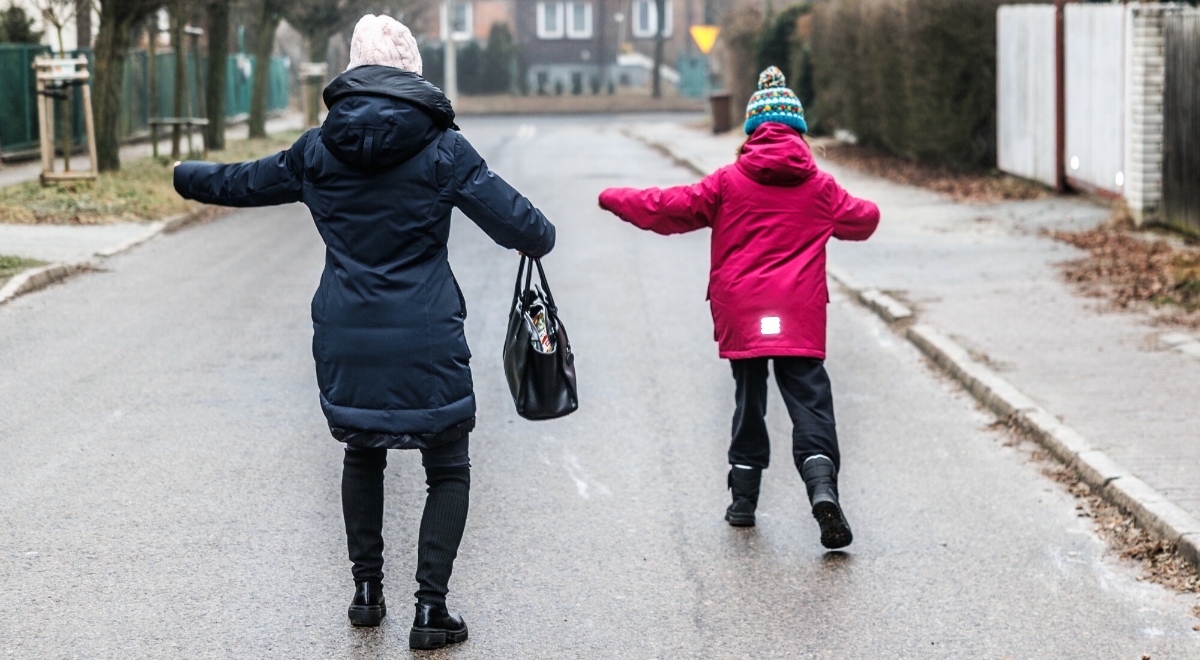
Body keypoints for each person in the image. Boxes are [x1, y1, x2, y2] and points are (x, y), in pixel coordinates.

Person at [173, 14, 555, 649]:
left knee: (363, 451)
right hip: (426, 333)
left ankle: (366, 593)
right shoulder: (443, 149)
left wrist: (185, 173)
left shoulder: (316, 151)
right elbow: (528, 230)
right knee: (448, 465)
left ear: (350, 72)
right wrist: (540, 230)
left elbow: (238, 182)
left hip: (347, 333)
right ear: (411, 71)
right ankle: (431, 612)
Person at [597, 66, 879, 549]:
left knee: (750, 401)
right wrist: (846, 212)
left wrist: (613, 197)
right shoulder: (821, 187)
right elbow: (865, 219)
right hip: (799, 313)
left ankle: (743, 502)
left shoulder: (728, 182)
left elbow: (668, 207)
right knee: (811, 403)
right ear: (799, 132)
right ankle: (822, 489)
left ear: (751, 131)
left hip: (745, 313)